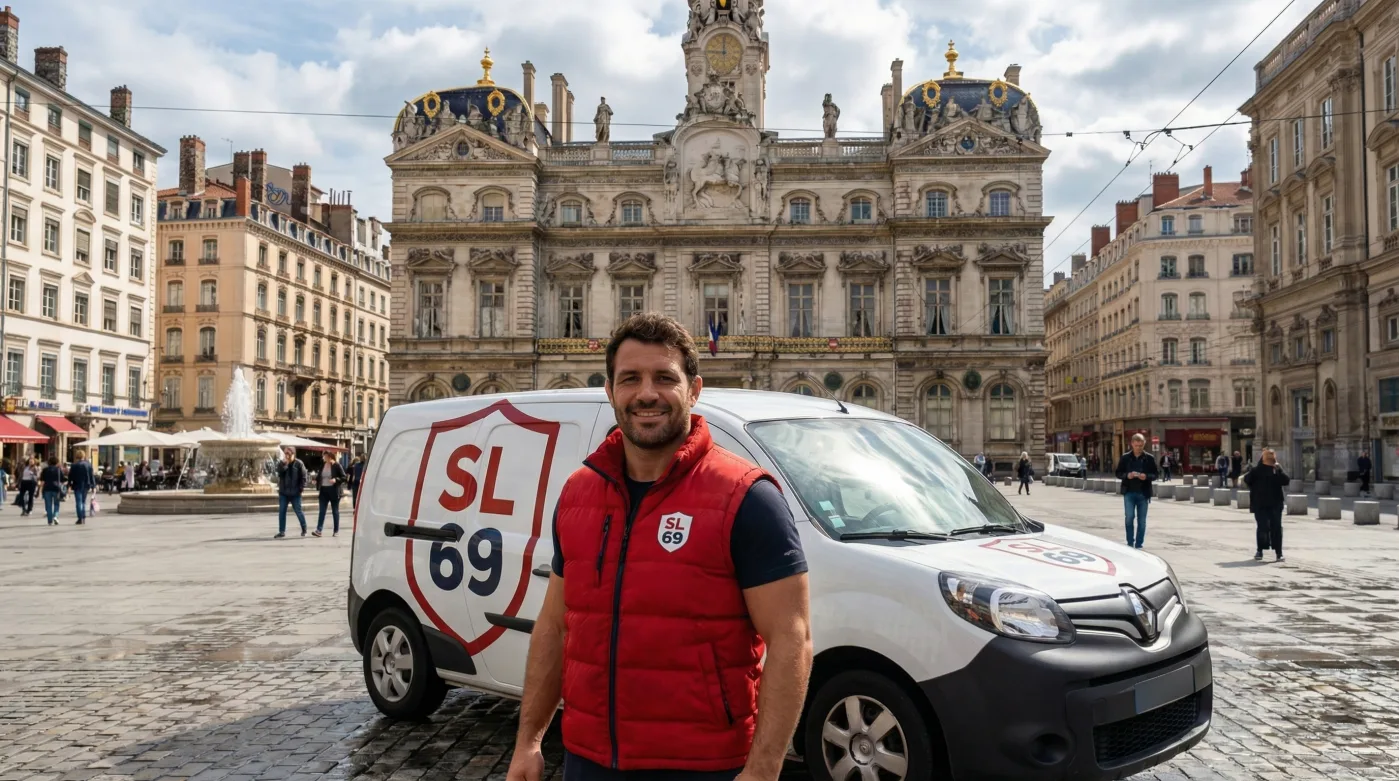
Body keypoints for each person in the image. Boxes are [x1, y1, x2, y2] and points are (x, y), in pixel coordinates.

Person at [505, 313, 812, 781]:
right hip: (589, 760)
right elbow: (554, 627)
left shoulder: (748, 497)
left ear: (694, 389)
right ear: (609, 391)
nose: (646, 393)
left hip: (704, 764)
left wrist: (763, 769)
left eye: (664, 378)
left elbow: (792, 640)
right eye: (630, 378)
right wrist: (529, 740)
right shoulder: (578, 491)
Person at [1243, 448, 1288, 563]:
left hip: (1275, 503)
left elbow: (1286, 481)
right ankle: (1260, 550)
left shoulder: (1276, 469)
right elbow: (1247, 480)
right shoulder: (1257, 470)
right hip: (1261, 504)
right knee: (1263, 527)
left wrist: (1279, 470)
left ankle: (1278, 552)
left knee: (1276, 528)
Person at [1115, 433, 1158, 549]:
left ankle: (1139, 544)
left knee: (1142, 520)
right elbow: (1118, 473)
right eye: (1136, 445)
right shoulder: (1125, 458)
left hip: (1143, 493)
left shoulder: (1149, 458)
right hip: (1129, 492)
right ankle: (1130, 542)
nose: (1139, 448)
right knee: (1129, 517)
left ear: (1144, 444)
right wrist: (1127, 475)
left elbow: (1156, 474)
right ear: (1132, 444)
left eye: (1141, 445)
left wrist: (1146, 476)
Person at [274, 446, 309, 539]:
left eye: (288, 454)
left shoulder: (299, 464)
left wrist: (301, 489)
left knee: (298, 511)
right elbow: (279, 473)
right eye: (285, 453)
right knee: (282, 512)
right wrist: (284, 465)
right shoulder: (282, 463)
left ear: (293, 454)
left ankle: (304, 529)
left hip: (295, 493)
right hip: (284, 492)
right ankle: (282, 531)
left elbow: (304, 477)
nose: (286, 455)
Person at [313, 455, 348, 538]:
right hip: (323, 491)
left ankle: (336, 531)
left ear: (330, 457)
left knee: (335, 511)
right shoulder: (323, 465)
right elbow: (319, 476)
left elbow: (344, 477)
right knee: (322, 511)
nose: (324, 458)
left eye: (325, 456)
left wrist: (336, 480)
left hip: (334, 491)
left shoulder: (337, 465)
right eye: (324, 456)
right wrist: (315, 480)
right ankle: (319, 530)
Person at [67, 449, 96, 525]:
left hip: (77, 485)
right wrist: (94, 486)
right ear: (84, 456)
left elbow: (70, 477)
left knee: (78, 502)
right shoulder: (88, 465)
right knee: (83, 501)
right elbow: (91, 476)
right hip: (86, 485)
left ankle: (80, 518)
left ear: (77, 456)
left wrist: (69, 486)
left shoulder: (74, 465)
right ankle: (83, 517)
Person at [39, 456, 65, 526]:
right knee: (56, 504)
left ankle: (49, 521)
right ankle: (55, 516)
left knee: (48, 505)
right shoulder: (59, 470)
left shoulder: (45, 470)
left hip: (47, 488)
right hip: (56, 489)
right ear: (57, 462)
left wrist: (39, 490)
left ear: (49, 462)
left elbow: (42, 481)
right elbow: (63, 480)